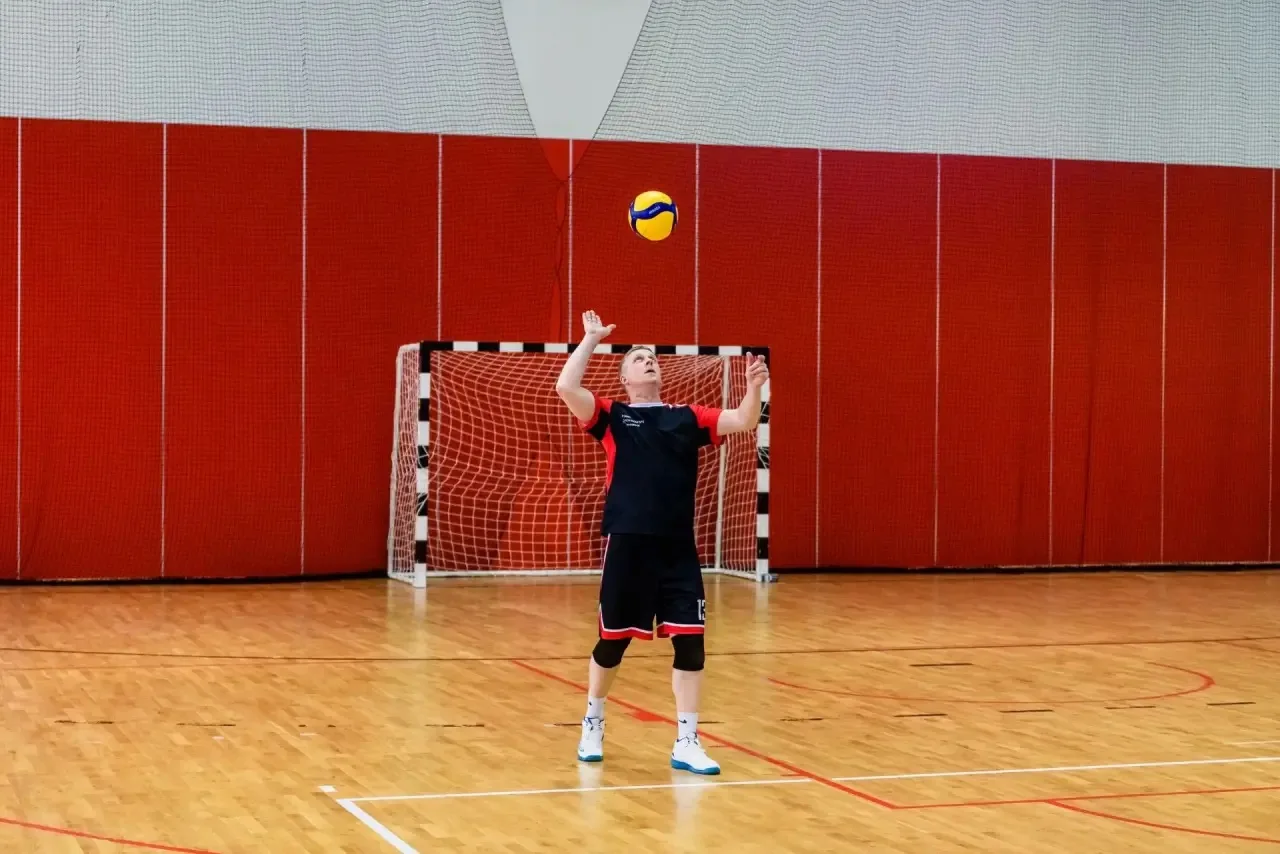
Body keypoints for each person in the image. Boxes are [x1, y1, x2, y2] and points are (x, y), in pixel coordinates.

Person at [554, 309, 769, 775]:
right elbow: (566, 388)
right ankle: (593, 720)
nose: (648, 361)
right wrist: (591, 339)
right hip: (628, 543)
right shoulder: (614, 415)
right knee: (612, 644)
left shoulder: (686, 417)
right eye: (638, 359)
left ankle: (687, 741)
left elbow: (743, 419)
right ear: (625, 379)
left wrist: (754, 388)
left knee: (691, 644)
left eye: (651, 357)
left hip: (677, 547)